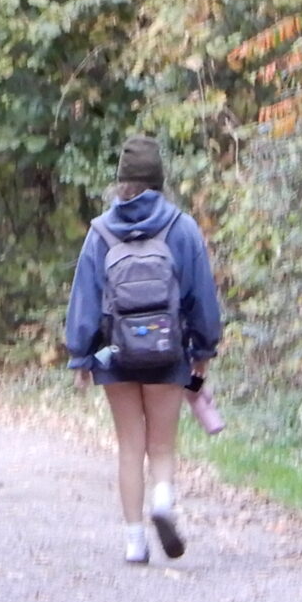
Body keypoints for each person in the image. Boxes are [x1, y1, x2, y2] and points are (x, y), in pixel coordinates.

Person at [64, 135, 225, 563]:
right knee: (163, 445)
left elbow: (84, 297)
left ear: (121, 183)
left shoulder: (100, 232)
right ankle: (163, 501)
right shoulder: (182, 228)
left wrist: (82, 356)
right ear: (160, 180)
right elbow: (202, 298)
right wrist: (203, 353)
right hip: (169, 351)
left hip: (112, 354)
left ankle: (135, 541)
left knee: (130, 445)